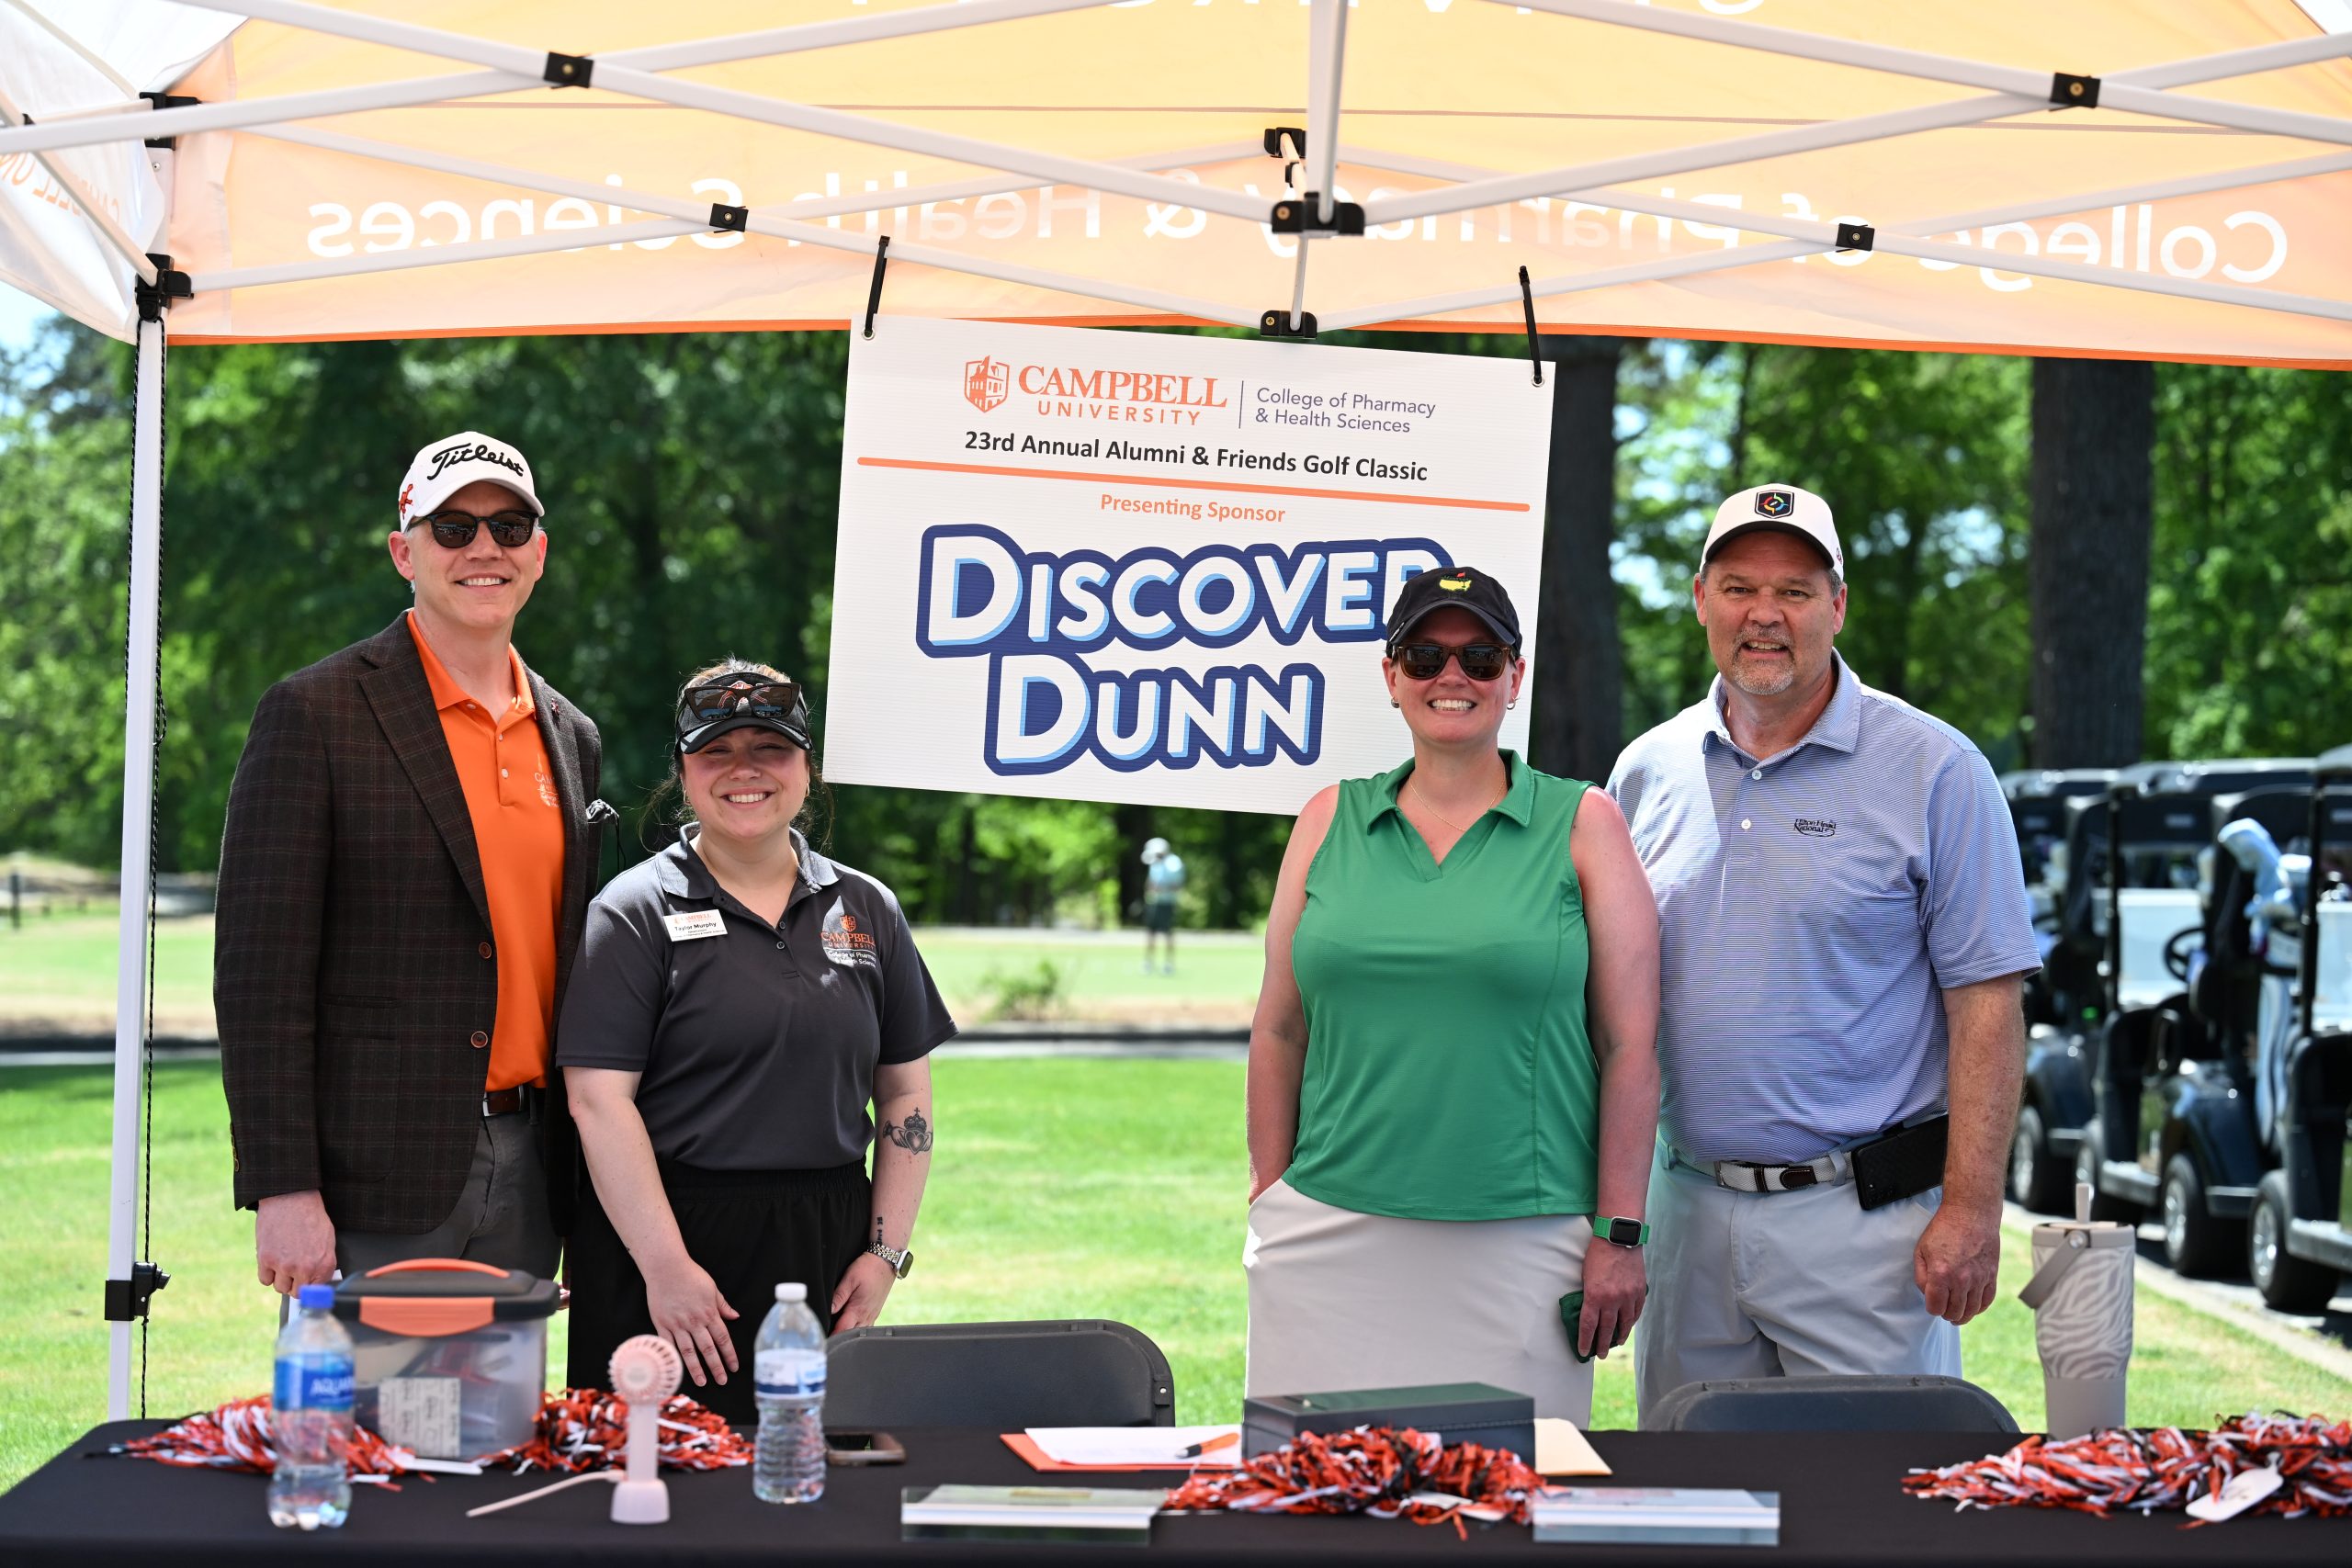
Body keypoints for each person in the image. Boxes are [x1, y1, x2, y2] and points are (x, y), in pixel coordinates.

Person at [1608, 483, 2039, 1423]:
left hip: (1862, 1226)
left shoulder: (1937, 768)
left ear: (1837, 606)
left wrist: (1970, 1212)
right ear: (1699, 600)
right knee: (1690, 1503)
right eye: (1738, 586)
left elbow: (1988, 1004)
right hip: (1685, 1211)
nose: (1764, 615)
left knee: (1871, 1506)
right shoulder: (1645, 771)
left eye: (1796, 591)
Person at [1243, 566, 1661, 1423]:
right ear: (1391, 674)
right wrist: (1272, 1191)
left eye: (1480, 656)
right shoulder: (1328, 818)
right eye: (1426, 653)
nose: (1453, 676)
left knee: (1505, 1511)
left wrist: (1619, 1233)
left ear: (1516, 675)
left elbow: (1631, 1048)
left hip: (1524, 1238)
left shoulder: (1583, 822)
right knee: (1311, 1508)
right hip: (1326, 1229)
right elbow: (1280, 1028)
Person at [217, 431, 604, 1292]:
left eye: (508, 528)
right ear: (405, 551)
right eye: (452, 527)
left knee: (499, 1428)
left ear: (537, 553)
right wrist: (284, 1186)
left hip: (537, 1164)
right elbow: (258, 976)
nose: (483, 550)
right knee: (364, 1430)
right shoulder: (313, 713)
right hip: (373, 1180)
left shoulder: (572, 736)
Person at [560, 660, 957, 1420]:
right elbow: (597, 1102)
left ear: (807, 766)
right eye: (717, 751)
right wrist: (666, 1267)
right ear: (683, 772)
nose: (745, 771)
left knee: (812, 1491)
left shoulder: (867, 906)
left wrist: (884, 1254)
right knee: (658, 1493)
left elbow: (905, 1089)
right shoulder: (632, 910)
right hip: (668, 1238)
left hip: (826, 1246)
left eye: (770, 749)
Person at [1140, 836, 1186, 974]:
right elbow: (1151, 882)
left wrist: (1163, 889)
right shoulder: (1155, 863)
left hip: (1167, 903)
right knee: (1150, 933)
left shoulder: (1174, 864)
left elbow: (1178, 886)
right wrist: (1149, 891)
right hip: (1153, 902)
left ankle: (1168, 963)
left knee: (1167, 933)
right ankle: (1148, 962)